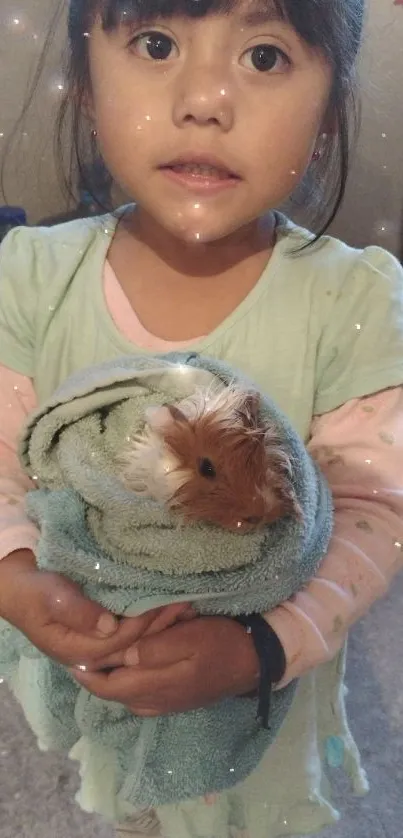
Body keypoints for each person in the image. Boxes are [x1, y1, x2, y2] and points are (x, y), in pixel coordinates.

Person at [0, 0, 402, 835]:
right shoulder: (30, 277)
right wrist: (14, 573)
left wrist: (266, 644)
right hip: (110, 684)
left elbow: (373, 508)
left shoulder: (354, 298)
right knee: (136, 805)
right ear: (83, 84)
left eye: (263, 57)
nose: (206, 98)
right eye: (156, 44)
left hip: (260, 704)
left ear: (327, 116)